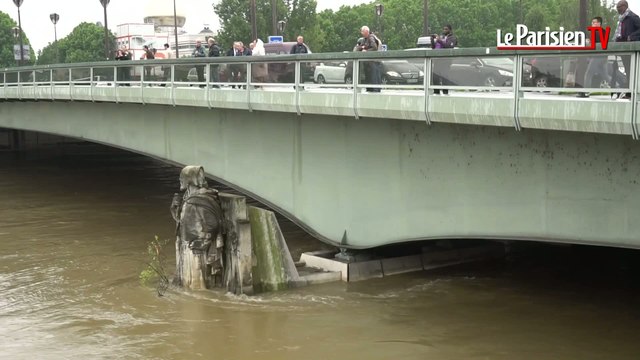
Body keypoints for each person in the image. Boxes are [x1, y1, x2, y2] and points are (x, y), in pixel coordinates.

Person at [612, 0, 640, 99]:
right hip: (624, 50)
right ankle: (629, 92)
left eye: (619, 7)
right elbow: (620, 33)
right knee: (628, 71)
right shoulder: (621, 19)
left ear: (625, 6)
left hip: (632, 51)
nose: (617, 9)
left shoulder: (633, 17)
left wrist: (631, 37)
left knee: (631, 71)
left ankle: (631, 93)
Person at [578, 17, 608, 98]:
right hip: (603, 56)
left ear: (599, 24)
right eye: (592, 23)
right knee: (605, 75)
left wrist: (588, 42)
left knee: (588, 73)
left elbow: (595, 44)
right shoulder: (602, 31)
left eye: (594, 22)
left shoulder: (597, 32)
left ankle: (586, 92)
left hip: (598, 56)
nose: (592, 24)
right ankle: (618, 88)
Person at [432, 24, 458, 94]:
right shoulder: (441, 37)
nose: (444, 30)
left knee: (444, 77)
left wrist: (439, 40)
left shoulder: (453, 38)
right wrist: (433, 40)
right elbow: (434, 47)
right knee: (435, 77)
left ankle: (445, 93)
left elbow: (449, 46)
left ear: (450, 30)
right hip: (437, 60)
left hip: (446, 61)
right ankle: (436, 92)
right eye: (443, 29)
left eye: (446, 29)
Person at [358, 26, 381, 93]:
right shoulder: (364, 39)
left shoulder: (371, 37)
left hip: (373, 62)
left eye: (362, 31)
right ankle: (370, 90)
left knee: (373, 78)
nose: (361, 33)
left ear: (366, 31)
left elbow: (374, 48)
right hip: (368, 63)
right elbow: (359, 47)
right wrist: (362, 47)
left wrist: (366, 51)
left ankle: (375, 90)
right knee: (369, 78)